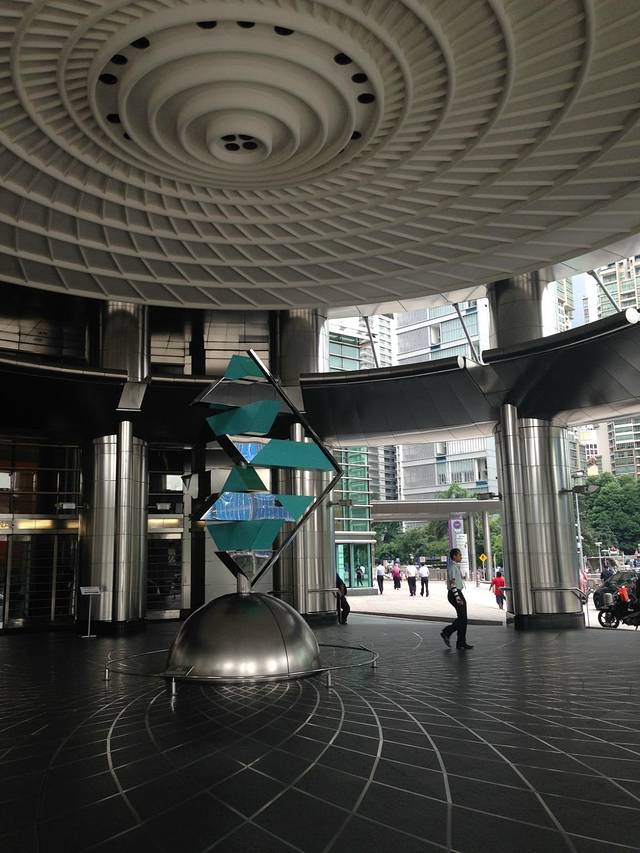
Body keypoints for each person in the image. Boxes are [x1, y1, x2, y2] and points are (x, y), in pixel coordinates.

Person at [441, 548, 473, 650]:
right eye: (459, 555)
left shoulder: (455, 567)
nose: (461, 557)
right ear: (454, 556)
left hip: (456, 593)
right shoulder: (452, 568)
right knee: (463, 618)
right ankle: (447, 632)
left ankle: (460, 642)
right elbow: (452, 583)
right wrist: (458, 598)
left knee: (462, 618)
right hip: (455, 593)